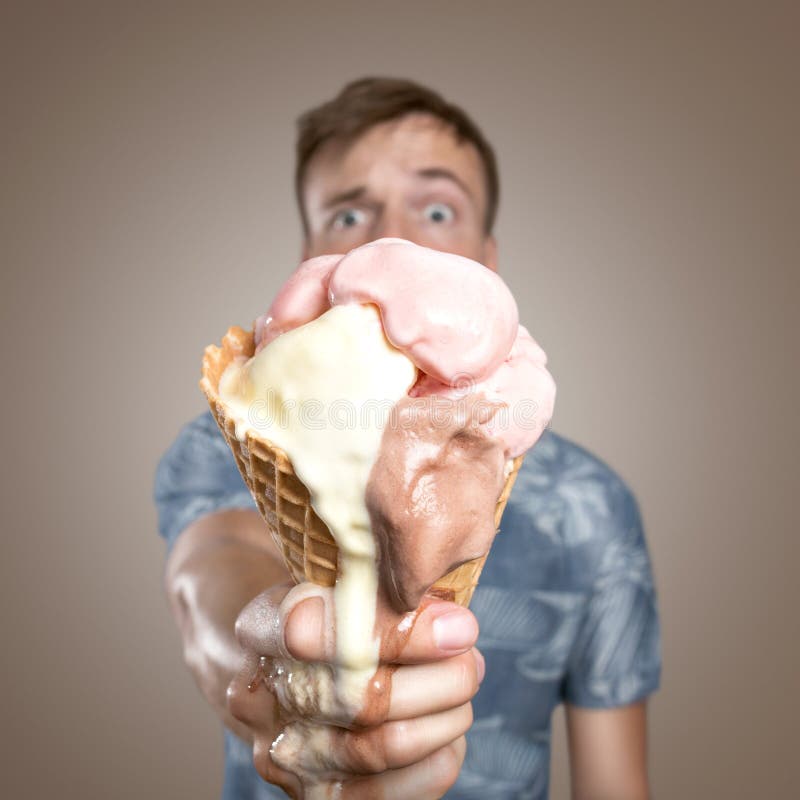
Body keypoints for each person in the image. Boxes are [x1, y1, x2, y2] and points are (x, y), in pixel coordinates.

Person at [154, 77, 660, 799]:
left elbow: (615, 785)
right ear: (310, 257)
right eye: (349, 212)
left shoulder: (592, 506)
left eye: (435, 207)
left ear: (487, 261)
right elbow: (209, 576)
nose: (391, 238)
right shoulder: (225, 441)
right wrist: (274, 674)